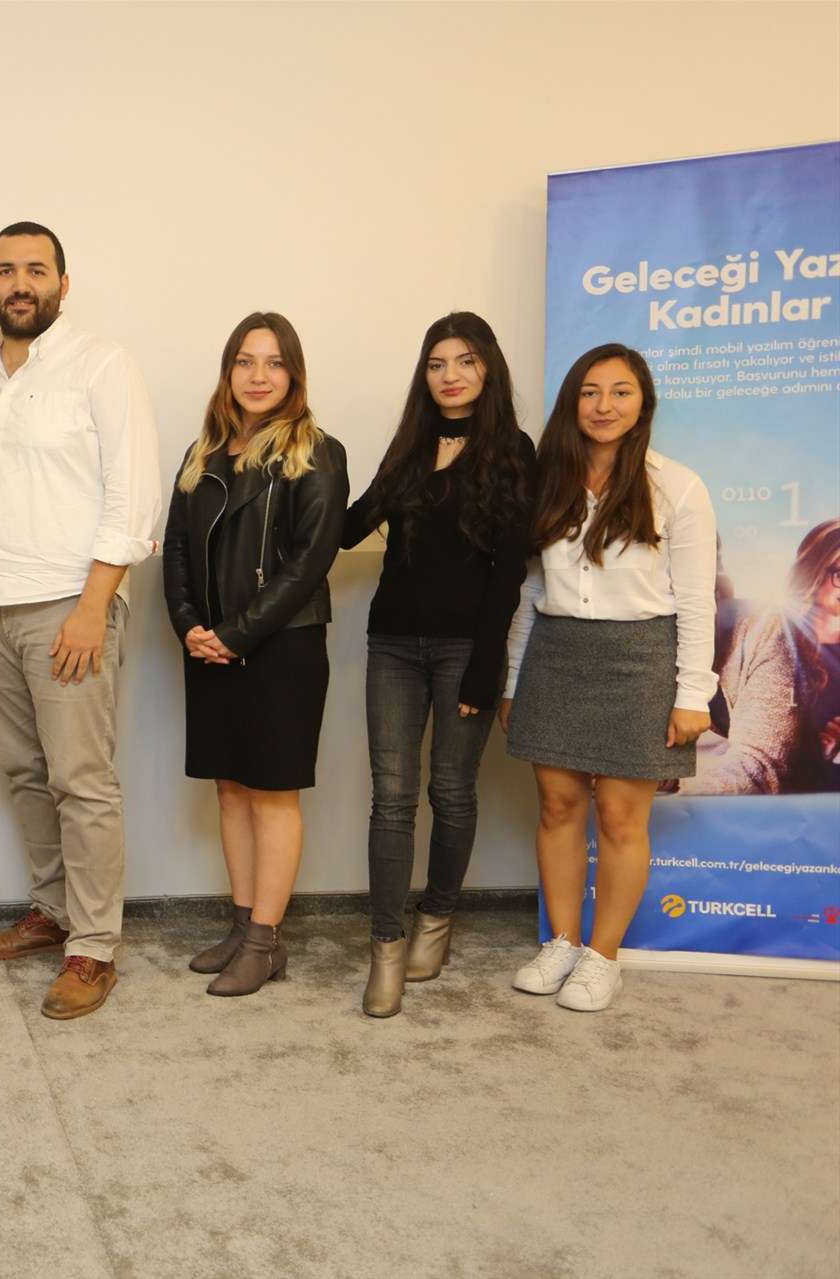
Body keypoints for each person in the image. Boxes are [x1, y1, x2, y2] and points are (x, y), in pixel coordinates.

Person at [0, 221, 160, 1020]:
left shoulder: (101, 363)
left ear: (64, 285)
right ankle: (53, 909)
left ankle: (94, 947)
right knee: (26, 772)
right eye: (5, 270)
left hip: (69, 605)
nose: (20, 282)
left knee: (82, 780)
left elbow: (133, 492)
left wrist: (93, 606)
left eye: (37, 269)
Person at [502, 344, 715, 1012]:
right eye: (590, 392)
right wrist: (511, 680)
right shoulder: (546, 482)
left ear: (643, 402)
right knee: (558, 807)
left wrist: (693, 694)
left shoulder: (677, 486)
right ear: (573, 402)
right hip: (556, 654)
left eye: (620, 391)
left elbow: (697, 601)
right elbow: (528, 589)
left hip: (640, 660)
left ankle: (603, 957)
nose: (603, 406)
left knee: (621, 817)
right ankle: (562, 942)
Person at [339, 313, 536, 1017]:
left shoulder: (514, 450)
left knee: (450, 791)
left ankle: (437, 916)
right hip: (392, 642)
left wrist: (488, 663)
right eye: (436, 363)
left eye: (465, 361)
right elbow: (349, 528)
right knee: (391, 797)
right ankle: (386, 946)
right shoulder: (411, 445)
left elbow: (510, 571)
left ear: (488, 370)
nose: (450, 375)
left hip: (465, 650)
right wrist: (312, 469)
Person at [163, 312, 346, 997]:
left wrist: (236, 633)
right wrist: (189, 624)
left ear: (293, 374)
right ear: (229, 370)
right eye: (245, 361)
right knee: (231, 788)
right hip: (209, 648)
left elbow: (308, 564)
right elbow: (176, 549)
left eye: (273, 362)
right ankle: (242, 927)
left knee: (271, 796)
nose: (259, 375)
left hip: (281, 649)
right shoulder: (202, 452)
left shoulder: (318, 451)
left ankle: (266, 943)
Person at [679, 519, 840, 795]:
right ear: (814, 569)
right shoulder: (766, 636)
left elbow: (765, 765)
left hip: (812, 797)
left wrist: (828, 754)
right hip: (731, 790)